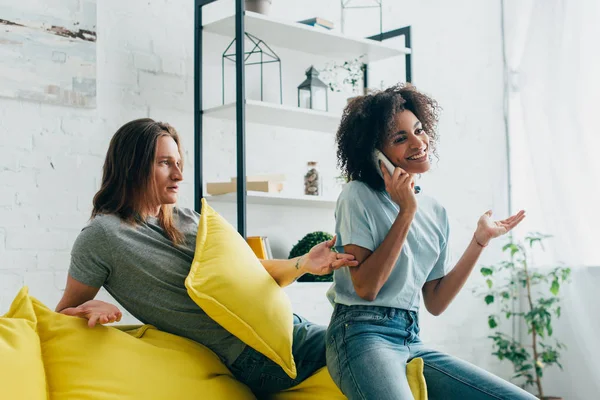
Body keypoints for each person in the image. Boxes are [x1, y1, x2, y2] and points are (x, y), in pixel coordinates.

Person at [55, 118, 358, 396]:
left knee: (386, 338)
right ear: (132, 166)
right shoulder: (103, 236)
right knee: (374, 343)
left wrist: (303, 263)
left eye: (178, 162)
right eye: (164, 163)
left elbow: (250, 273)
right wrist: (87, 307)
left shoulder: (188, 219)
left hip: (286, 331)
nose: (179, 174)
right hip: (254, 358)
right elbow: (61, 315)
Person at [326, 84, 535, 399]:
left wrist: (479, 241)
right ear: (374, 154)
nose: (418, 142)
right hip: (360, 334)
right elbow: (366, 289)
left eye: (419, 130)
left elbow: (435, 301)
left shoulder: (436, 210)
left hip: (410, 335)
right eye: (400, 139)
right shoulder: (357, 196)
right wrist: (406, 211)